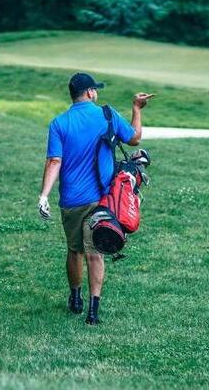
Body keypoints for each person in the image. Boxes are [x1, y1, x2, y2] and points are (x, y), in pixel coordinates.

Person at [38, 72, 153, 325]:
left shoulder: (59, 123)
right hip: (102, 198)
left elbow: (54, 161)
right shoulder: (106, 114)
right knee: (95, 253)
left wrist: (44, 195)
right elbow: (134, 138)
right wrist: (136, 108)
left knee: (74, 250)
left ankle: (75, 297)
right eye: (95, 90)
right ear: (90, 92)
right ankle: (93, 311)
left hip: (70, 200)